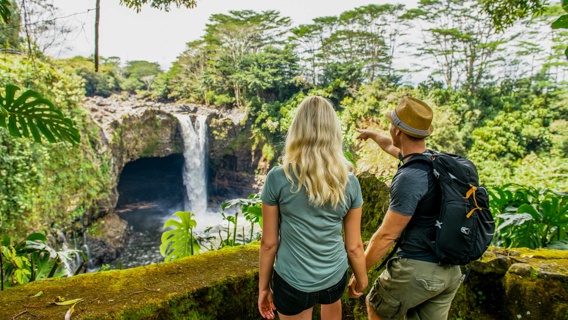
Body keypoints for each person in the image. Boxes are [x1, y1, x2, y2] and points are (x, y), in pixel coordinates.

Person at [350, 97, 463, 320]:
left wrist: (360, 273)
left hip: (418, 269)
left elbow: (386, 236)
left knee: (376, 305)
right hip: (450, 272)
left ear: (397, 130)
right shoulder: (434, 162)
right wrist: (372, 135)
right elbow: (390, 146)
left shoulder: (410, 177)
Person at [258, 96, 368, 320]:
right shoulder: (349, 182)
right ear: (334, 133)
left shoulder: (278, 178)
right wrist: (362, 279)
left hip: (292, 282)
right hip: (334, 278)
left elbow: (269, 243)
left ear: (296, 131)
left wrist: (263, 289)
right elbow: (354, 246)